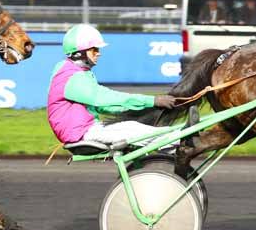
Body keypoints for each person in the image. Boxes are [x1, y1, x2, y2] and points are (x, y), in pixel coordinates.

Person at [47, 24, 177, 148]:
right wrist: (151, 101)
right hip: (82, 133)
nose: (99, 53)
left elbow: (105, 107)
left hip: (86, 129)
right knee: (144, 133)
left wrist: (142, 108)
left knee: (133, 126)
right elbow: (105, 98)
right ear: (79, 52)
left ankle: (179, 142)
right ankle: (182, 138)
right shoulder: (71, 76)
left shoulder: (77, 72)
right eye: (94, 49)